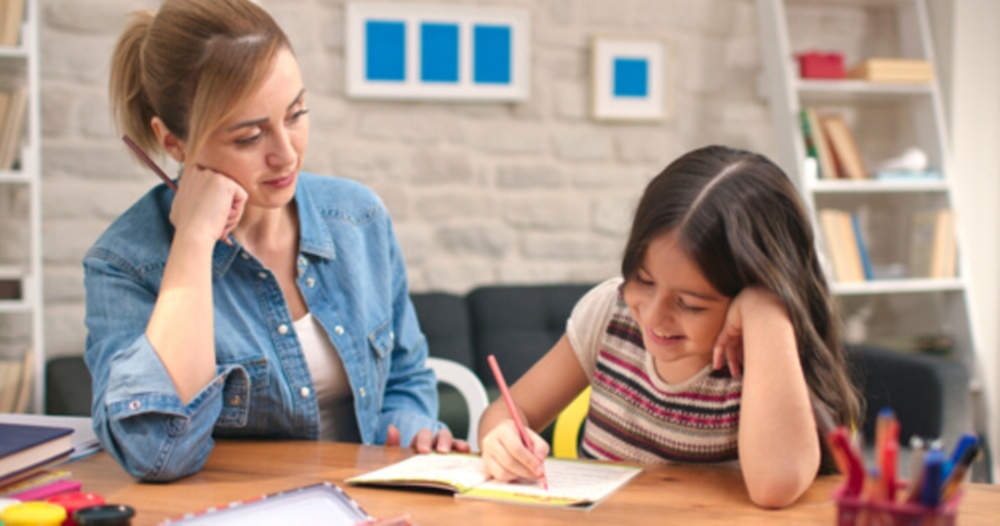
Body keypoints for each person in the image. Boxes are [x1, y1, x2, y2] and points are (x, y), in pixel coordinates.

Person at [84, 0, 466, 482]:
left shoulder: (358, 218)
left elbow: (406, 376)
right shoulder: (123, 263)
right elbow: (157, 453)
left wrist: (410, 428)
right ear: (174, 142)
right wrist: (194, 244)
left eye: (296, 114)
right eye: (248, 137)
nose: (286, 154)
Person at [477, 145, 862, 508]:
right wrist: (502, 438)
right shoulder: (610, 313)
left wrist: (766, 311)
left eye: (690, 304)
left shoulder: (763, 352)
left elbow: (775, 485)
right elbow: (507, 412)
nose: (654, 317)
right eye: (644, 280)